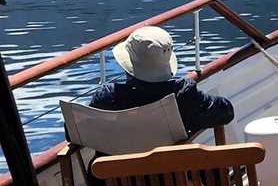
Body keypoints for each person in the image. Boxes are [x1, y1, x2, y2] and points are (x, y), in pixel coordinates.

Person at [91, 25, 234, 136]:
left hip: (117, 173)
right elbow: (226, 111)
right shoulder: (183, 96)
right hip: (176, 173)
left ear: (128, 65)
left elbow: (76, 132)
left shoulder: (107, 98)